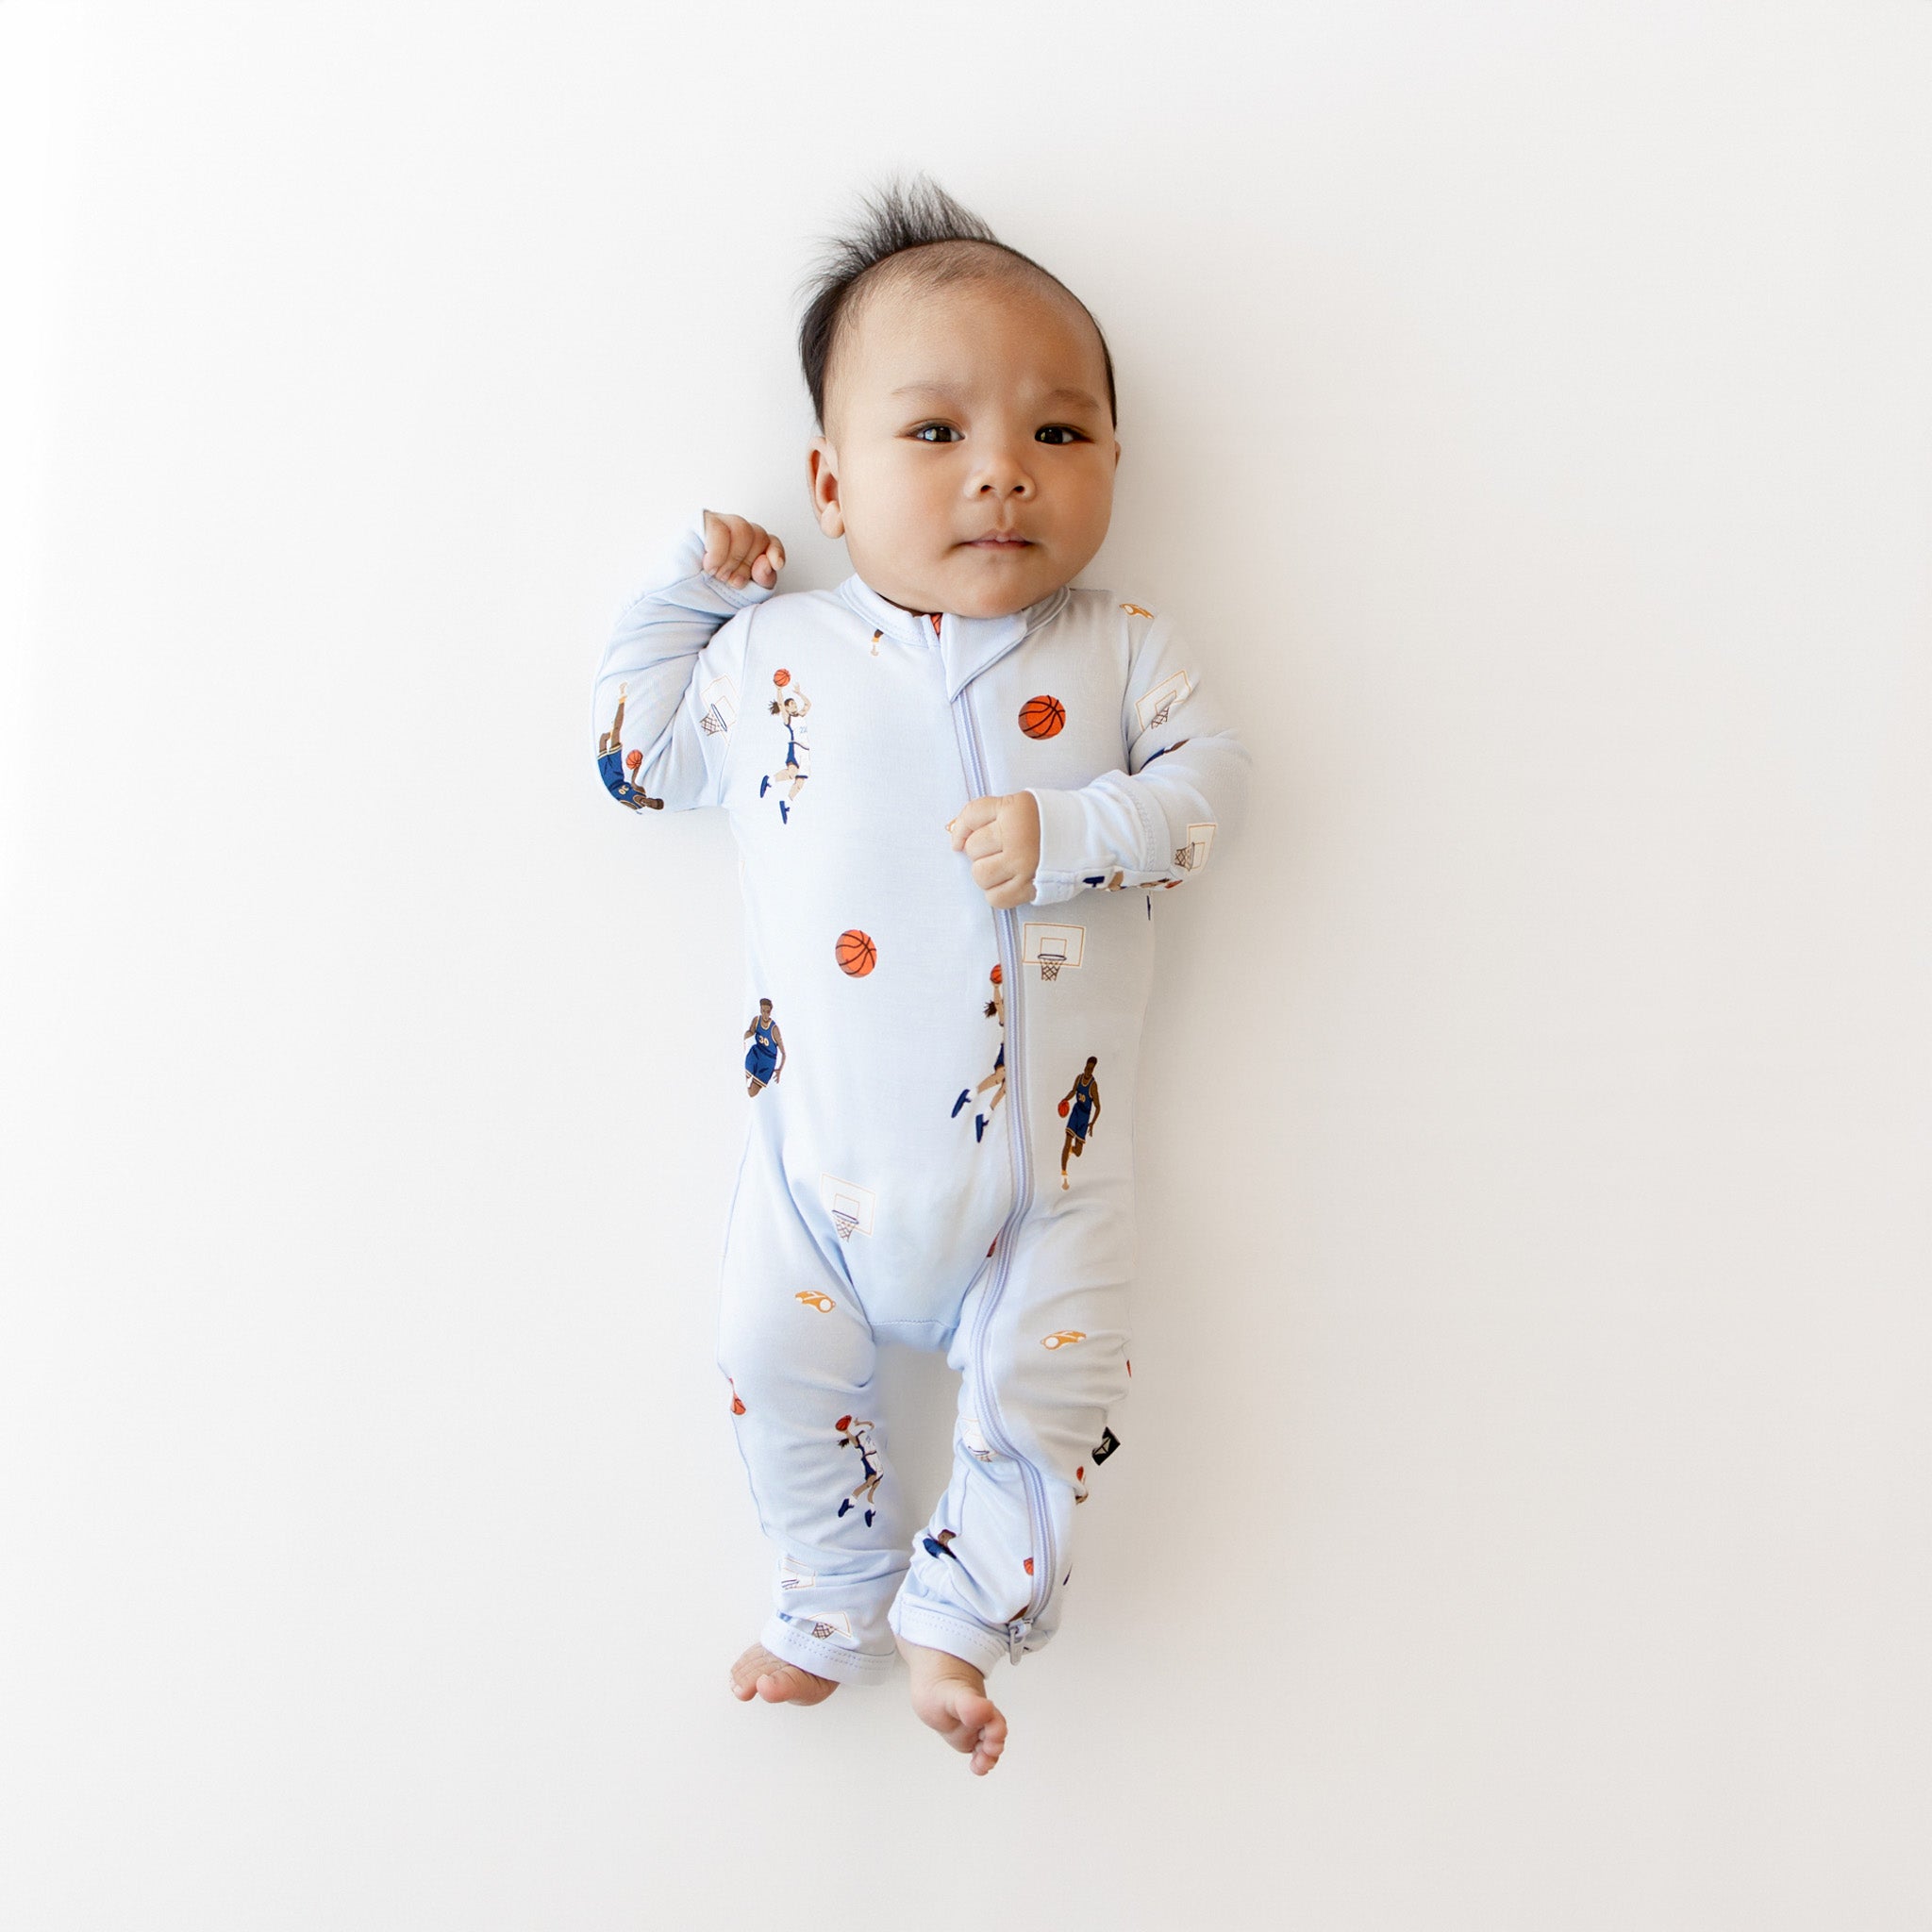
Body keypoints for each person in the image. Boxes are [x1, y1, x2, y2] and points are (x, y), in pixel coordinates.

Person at [589, 173, 1250, 1777]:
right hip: (815, 1169)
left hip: (1047, 1173)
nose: (1004, 474)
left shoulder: (1119, 643)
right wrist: (686, 599)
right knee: (764, 1355)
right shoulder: (772, 659)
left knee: (1051, 1392)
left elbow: (1212, 787)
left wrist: (1080, 827)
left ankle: (961, 1622)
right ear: (828, 478)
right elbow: (630, 760)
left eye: (1060, 433)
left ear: (1111, 467)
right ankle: (827, 1598)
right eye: (936, 433)